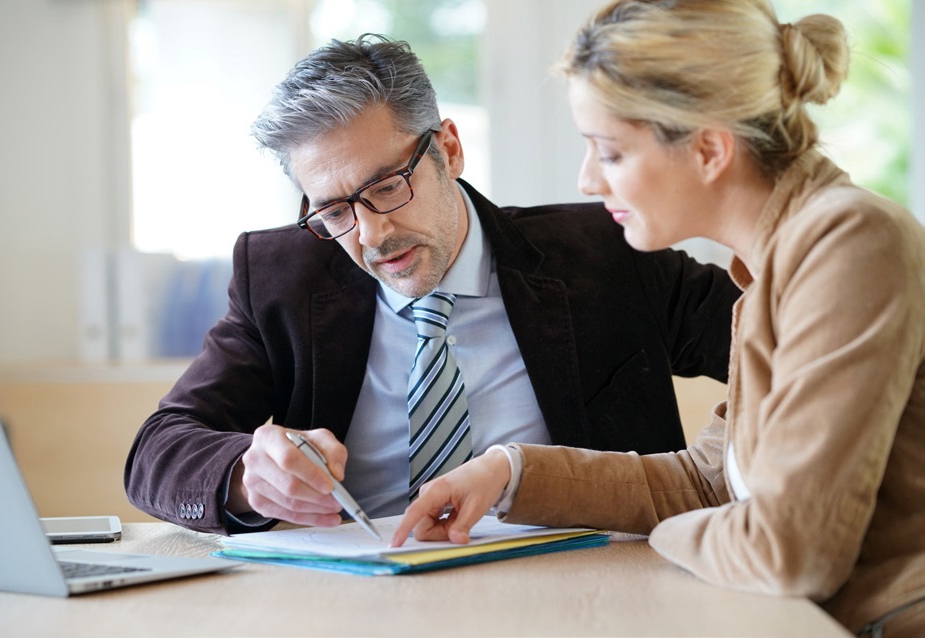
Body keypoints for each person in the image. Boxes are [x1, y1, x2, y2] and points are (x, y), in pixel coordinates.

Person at [392, 2, 925, 636]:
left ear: (708, 149)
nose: (587, 180)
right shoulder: (776, 266)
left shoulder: (849, 243)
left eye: (610, 153)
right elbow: (709, 481)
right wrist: (510, 471)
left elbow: (789, 552)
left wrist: (669, 538)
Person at [124, 34, 739, 538]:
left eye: (388, 185)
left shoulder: (605, 252)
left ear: (449, 148)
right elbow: (158, 449)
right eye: (334, 211)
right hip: (361, 595)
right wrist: (243, 475)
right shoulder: (282, 276)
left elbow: (790, 349)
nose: (371, 234)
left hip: (584, 588)